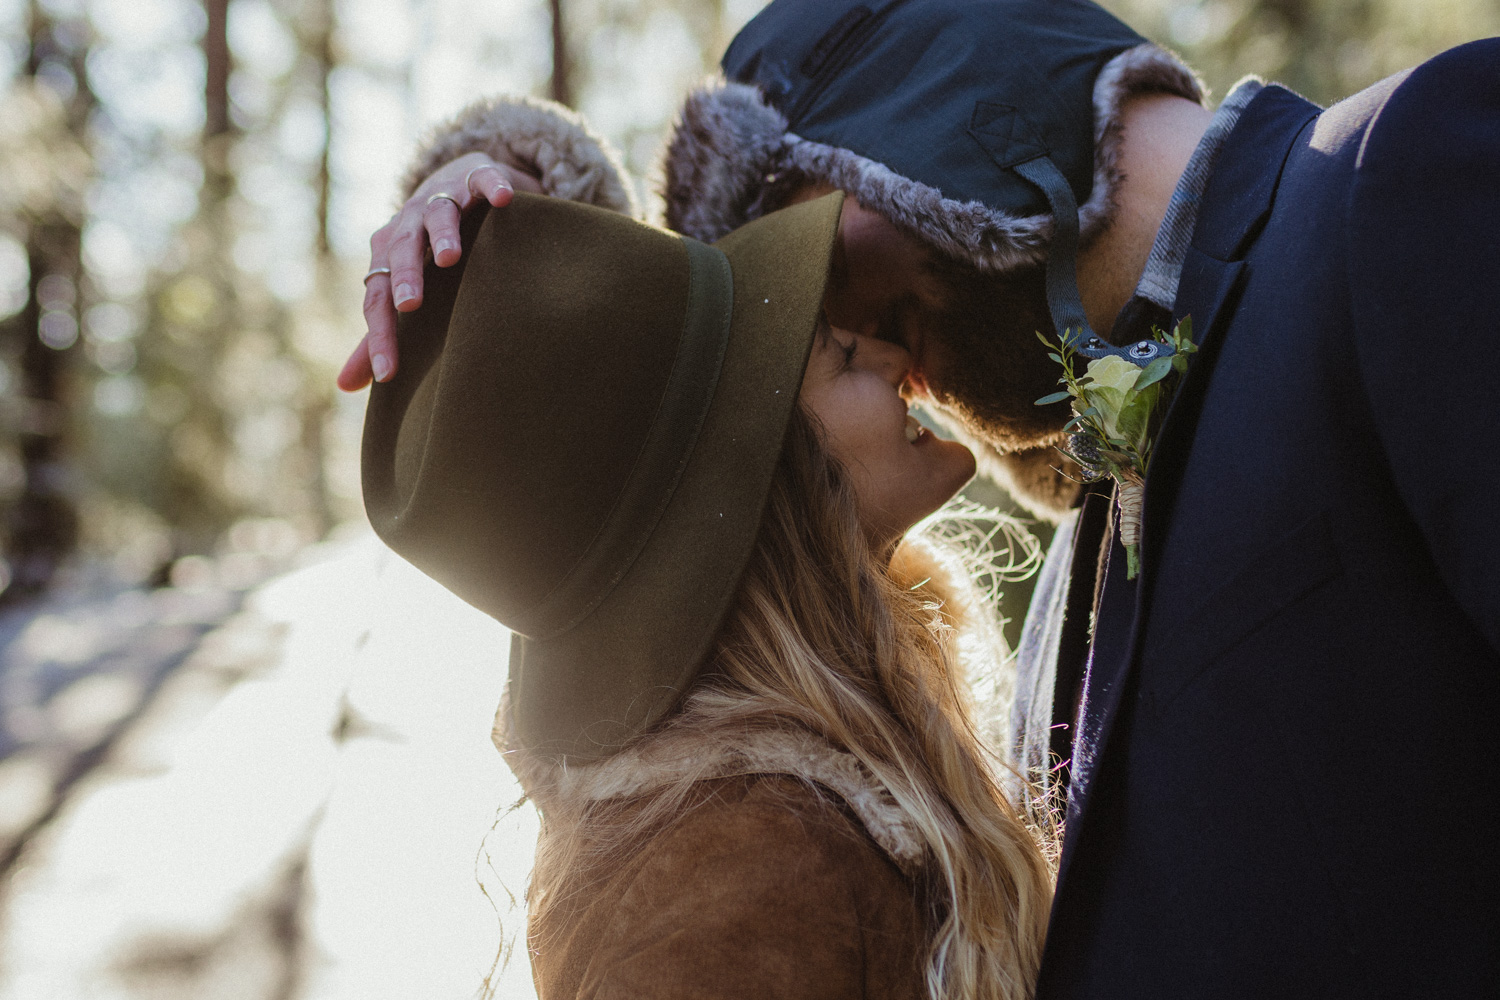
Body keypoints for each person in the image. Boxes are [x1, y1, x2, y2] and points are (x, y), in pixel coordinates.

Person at [346, 1, 1500, 995]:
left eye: (812, 251)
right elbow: (690, 440)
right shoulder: (1084, 556)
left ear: (920, 126)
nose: (829, 313)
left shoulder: (1401, 180)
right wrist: (508, 243)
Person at [360, 190, 1055, 999]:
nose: (895, 357)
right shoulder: (754, 876)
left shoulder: (784, 806)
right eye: (840, 353)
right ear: (770, 493)